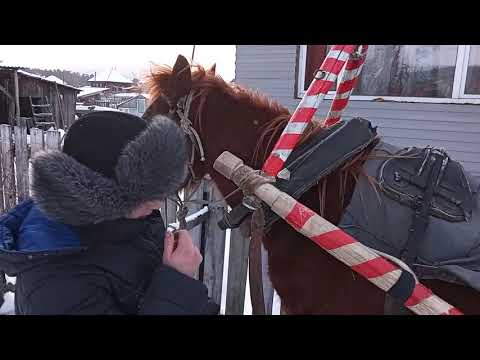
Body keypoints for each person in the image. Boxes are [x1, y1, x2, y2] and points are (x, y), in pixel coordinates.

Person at [0, 111, 219, 315]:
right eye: (148, 191)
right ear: (100, 195)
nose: (160, 202)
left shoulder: (133, 217)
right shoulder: (52, 286)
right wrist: (177, 282)